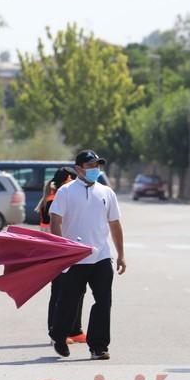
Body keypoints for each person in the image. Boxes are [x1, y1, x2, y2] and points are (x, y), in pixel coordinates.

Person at [49, 150, 126, 360]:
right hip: (74, 257)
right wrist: (60, 248)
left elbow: (115, 224)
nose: (95, 169)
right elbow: (56, 220)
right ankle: (59, 335)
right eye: (90, 166)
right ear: (78, 169)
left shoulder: (107, 193)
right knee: (69, 302)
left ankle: (98, 346)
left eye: (97, 165)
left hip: (101, 256)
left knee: (103, 301)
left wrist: (121, 254)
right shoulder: (66, 192)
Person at [42, 168, 87, 345]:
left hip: (73, 250)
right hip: (57, 251)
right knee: (60, 292)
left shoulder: (63, 197)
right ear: (69, 178)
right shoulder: (55, 199)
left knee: (78, 290)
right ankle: (55, 331)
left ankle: (75, 330)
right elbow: (52, 223)